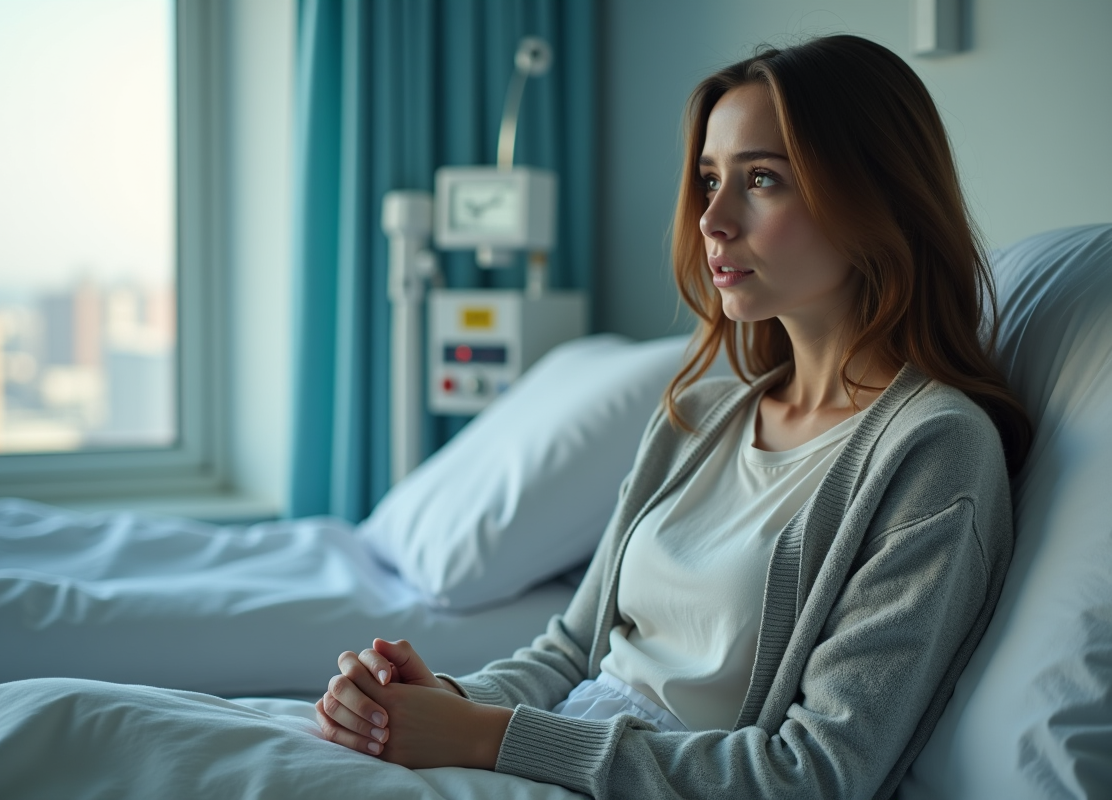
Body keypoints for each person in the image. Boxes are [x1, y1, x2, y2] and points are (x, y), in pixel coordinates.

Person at [315, 35, 1031, 799]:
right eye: (710, 180)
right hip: (547, 757)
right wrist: (442, 703)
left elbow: (815, 775)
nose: (713, 220)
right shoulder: (700, 415)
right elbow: (569, 651)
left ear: (877, 197)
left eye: (762, 180)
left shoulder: (934, 450)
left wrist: (491, 738)